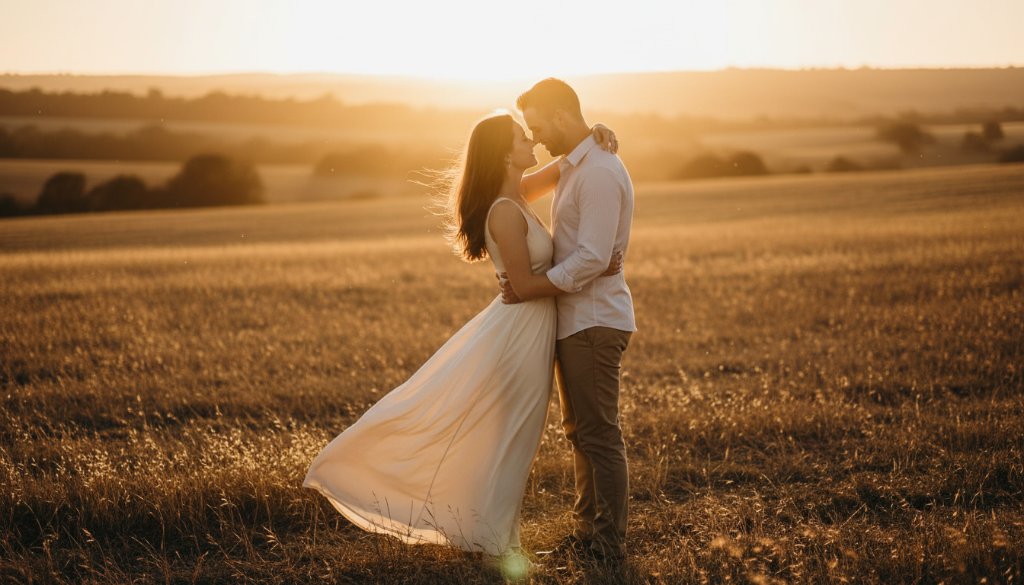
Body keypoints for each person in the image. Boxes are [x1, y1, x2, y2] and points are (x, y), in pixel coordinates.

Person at [303, 113, 619, 562]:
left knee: (517, 439)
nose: (531, 140)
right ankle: (496, 546)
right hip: (519, 336)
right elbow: (524, 287)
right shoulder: (504, 210)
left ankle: (497, 539)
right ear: (504, 154)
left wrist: (595, 132)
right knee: (512, 438)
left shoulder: (517, 194)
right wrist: (594, 267)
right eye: (521, 137)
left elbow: (567, 165)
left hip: (531, 331)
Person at [499, 78, 636, 563]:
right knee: (580, 431)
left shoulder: (597, 171)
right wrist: (592, 131)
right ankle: (587, 531)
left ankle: (608, 543)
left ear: (560, 115)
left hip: (594, 320)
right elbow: (517, 192)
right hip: (575, 319)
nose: (535, 139)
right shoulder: (579, 163)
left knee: (599, 434)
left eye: (537, 127)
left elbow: (594, 257)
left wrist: (533, 286)